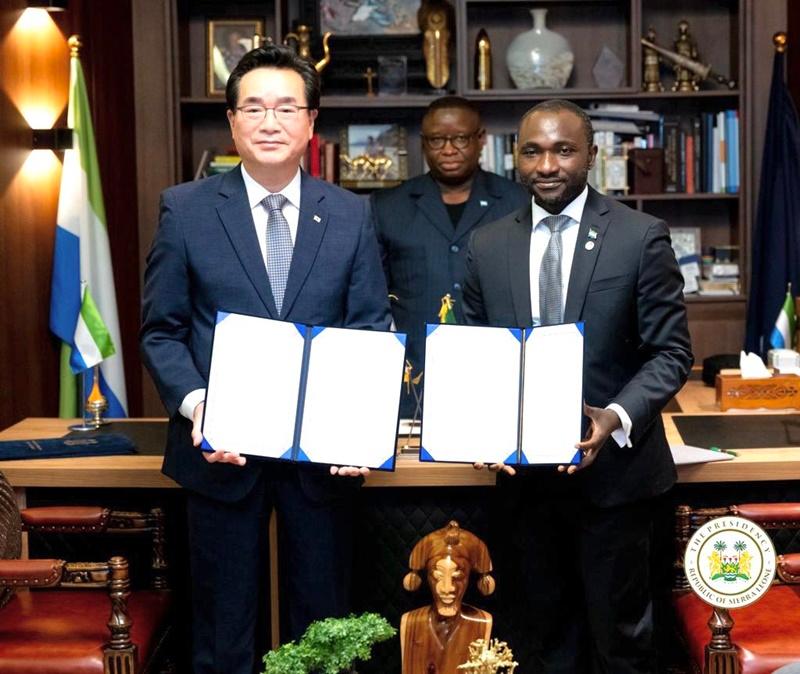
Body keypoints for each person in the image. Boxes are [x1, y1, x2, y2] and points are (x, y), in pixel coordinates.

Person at [140, 44, 391, 674]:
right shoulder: (186, 209)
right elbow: (162, 331)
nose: (270, 122)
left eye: (286, 108)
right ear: (232, 122)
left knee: (326, 631)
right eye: (253, 108)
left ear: (311, 123)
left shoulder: (351, 214)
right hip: (220, 455)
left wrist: (361, 430)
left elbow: (368, 330)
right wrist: (201, 407)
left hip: (322, 460)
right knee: (224, 632)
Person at [463, 99, 693, 673]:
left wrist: (614, 416)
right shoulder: (486, 246)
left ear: (591, 155)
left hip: (617, 483)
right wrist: (480, 428)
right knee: (544, 644)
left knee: (623, 645)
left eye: (564, 150)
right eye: (533, 151)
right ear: (515, 157)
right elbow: (474, 356)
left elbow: (672, 352)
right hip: (524, 487)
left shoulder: (640, 236)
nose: (547, 165)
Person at [371, 96, 528, 416]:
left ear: (480, 139)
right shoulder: (387, 206)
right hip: (414, 374)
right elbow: (372, 298)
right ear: (423, 143)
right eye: (437, 140)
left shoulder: (519, 203)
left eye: (459, 138)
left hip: (499, 370)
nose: (448, 149)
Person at [400, 521, 494, 674]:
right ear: (428, 578)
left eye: (458, 576)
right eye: (438, 576)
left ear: (469, 578)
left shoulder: (482, 623)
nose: (447, 587)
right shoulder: (410, 622)